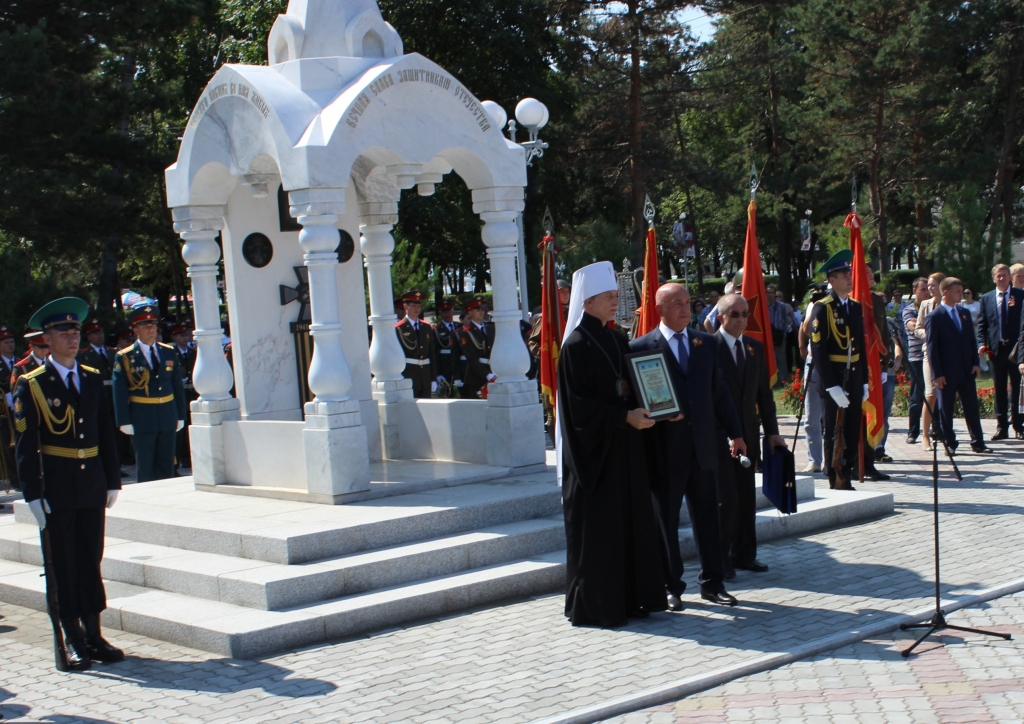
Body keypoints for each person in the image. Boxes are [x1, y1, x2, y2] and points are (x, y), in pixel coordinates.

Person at [13, 297, 123, 670]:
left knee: (90, 560)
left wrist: (112, 480)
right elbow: (26, 444)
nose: (72, 337)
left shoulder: (91, 377)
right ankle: (71, 637)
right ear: (47, 339)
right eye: (64, 332)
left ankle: (94, 633)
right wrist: (31, 493)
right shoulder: (33, 385)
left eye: (75, 331)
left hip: (90, 484)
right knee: (64, 564)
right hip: (57, 488)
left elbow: (104, 432)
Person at [557, 261, 666, 627]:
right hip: (596, 457)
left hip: (625, 451)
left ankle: (634, 599)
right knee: (603, 533)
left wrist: (662, 406)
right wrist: (623, 417)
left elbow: (635, 384)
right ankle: (601, 606)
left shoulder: (617, 339)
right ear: (587, 302)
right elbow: (579, 407)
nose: (615, 302)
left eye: (616, 296)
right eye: (608, 296)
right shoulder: (574, 346)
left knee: (632, 527)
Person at [630, 283, 745, 611]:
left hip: (704, 447)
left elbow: (718, 392)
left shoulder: (705, 343)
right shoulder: (641, 347)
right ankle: (672, 587)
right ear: (660, 309)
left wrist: (736, 433)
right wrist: (656, 414)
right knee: (666, 520)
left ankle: (713, 583)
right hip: (665, 451)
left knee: (709, 517)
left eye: (687, 303)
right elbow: (638, 399)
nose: (685, 309)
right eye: (676, 304)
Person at [713, 294, 785, 576]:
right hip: (720, 437)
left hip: (748, 435)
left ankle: (744, 554)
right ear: (721, 318)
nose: (742, 320)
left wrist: (773, 433)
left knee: (745, 498)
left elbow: (764, 397)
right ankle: (720, 560)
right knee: (725, 500)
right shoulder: (709, 348)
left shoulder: (754, 348)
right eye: (735, 314)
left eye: (745, 314)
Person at [112, 305, 188, 482]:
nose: (150, 329)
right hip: (142, 416)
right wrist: (124, 420)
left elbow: (177, 386)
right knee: (146, 467)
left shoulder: (168, 351)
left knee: (167, 465)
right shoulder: (125, 356)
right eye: (145, 326)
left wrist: (180, 414)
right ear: (135, 329)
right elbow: (120, 391)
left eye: (153, 325)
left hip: (167, 413)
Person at [809, 250, 865, 490]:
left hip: (852, 375)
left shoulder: (854, 306)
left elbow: (860, 345)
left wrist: (863, 381)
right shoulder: (823, 307)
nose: (849, 278)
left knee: (852, 427)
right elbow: (818, 349)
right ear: (831, 280)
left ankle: (847, 472)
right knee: (833, 429)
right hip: (833, 377)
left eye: (849, 273)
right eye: (843, 274)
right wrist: (831, 385)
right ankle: (835, 476)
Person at [926, 277, 990, 454]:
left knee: (971, 406)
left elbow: (971, 340)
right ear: (945, 292)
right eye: (958, 291)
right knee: (946, 408)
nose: (961, 294)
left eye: (962, 291)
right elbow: (932, 348)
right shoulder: (935, 317)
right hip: (946, 371)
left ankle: (978, 442)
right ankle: (950, 443)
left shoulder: (964, 313)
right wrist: (937, 374)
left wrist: (976, 363)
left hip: (966, 369)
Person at [976, 264, 1024, 440]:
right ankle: (1002, 427)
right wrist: (982, 344)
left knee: (1018, 388)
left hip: (1016, 350)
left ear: (1010, 277)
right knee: (1000, 389)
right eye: (999, 276)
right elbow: (982, 325)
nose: (1002, 278)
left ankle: (1019, 426)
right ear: (993, 278)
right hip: (996, 351)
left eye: (1005, 275)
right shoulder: (987, 298)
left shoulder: (1020, 296)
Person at [798, 285, 830, 473]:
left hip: (833, 363)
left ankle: (833, 459)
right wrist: (813, 305)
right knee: (811, 416)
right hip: (814, 361)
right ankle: (815, 460)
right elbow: (806, 327)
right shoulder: (814, 305)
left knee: (832, 417)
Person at [914, 272, 944, 451]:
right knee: (930, 393)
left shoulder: (951, 304)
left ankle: (944, 433)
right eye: (929, 285)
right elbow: (917, 329)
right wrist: (931, 336)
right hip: (930, 354)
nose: (930, 288)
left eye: (933, 285)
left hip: (948, 355)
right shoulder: (925, 305)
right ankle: (925, 435)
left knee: (947, 395)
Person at [395, 290, 438, 399]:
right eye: (413, 306)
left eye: (418, 306)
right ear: (406, 306)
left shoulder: (426, 327)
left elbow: (431, 354)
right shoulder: (399, 328)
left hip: (425, 376)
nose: (416, 309)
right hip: (409, 375)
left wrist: (433, 378)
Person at [902, 278, 929, 444]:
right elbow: (913, 327)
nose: (927, 292)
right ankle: (913, 432)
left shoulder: (935, 307)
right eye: (923, 289)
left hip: (934, 357)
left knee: (935, 395)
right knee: (917, 396)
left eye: (928, 289)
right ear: (915, 291)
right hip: (917, 357)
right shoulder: (909, 309)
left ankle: (936, 429)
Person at [170, 321, 198, 468]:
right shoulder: (170, 353)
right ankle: (179, 458)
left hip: (192, 395)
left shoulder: (194, 353)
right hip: (178, 396)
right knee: (179, 430)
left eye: (186, 334)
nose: (185, 338)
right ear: (174, 337)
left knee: (190, 426)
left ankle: (189, 456)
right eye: (181, 335)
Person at [458, 297, 495, 399]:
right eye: (477, 310)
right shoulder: (466, 333)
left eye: (482, 309)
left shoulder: (491, 328)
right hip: (476, 377)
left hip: (493, 371)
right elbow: (472, 358)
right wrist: (487, 375)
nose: (481, 312)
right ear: (470, 313)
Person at [432, 300, 461, 391]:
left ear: (453, 312)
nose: (447, 314)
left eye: (449, 311)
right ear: (440, 313)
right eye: (444, 312)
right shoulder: (436, 330)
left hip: (459, 365)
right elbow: (435, 353)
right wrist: (438, 373)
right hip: (445, 366)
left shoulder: (460, 326)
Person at [766, 285, 793, 382]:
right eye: (768, 292)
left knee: (781, 357)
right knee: (769, 357)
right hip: (768, 335)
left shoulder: (781, 306)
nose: (770, 295)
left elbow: (786, 320)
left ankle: (783, 378)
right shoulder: (764, 306)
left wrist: (783, 332)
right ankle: (771, 378)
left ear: (775, 294)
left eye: (772, 293)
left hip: (779, 334)